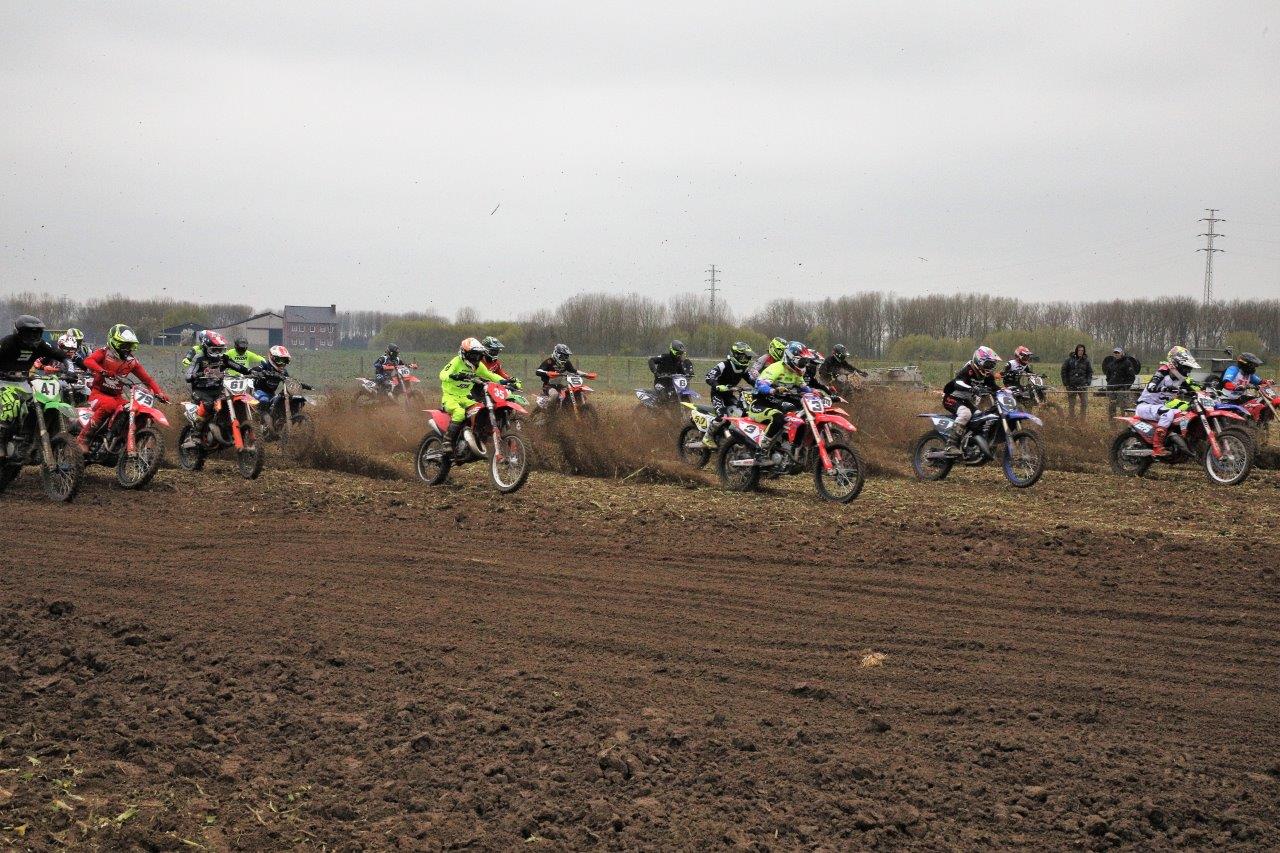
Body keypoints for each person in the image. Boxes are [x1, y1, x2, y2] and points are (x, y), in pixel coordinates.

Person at [77, 324, 170, 453]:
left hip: (117, 397)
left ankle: (123, 441)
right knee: (109, 405)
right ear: (114, 342)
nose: (127, 349)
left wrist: (159, 392)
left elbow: (147, 380)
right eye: (124, 345)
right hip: (98, 393)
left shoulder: (131, 361)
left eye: (130, 345)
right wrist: (102, 371)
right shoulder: (104, 352)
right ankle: (83, 438)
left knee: (134, 410)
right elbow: (88, 361)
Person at [0, 315, 69, 458]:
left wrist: (70, 370)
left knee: (38, 403)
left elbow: (62, 356)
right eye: (29, 332)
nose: (33, 336)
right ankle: (1, 442)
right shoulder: (7, 342)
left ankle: (29, 440)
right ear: (19, 332)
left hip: (24, 383)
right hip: (3, 382)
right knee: (11, 404)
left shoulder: (40, 344)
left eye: (36, 332)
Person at [182, 331, 252, 448]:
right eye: (215, 350)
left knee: (233, 401)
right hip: (201, 391)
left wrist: (251, 371)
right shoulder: (199, 358)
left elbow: (238, 367)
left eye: (220, 349)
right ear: (206, 347)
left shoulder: (223, 359)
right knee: (208, 404)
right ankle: (196, 434)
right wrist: (198, 374)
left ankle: (227, 428)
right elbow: (188, 376)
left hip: (219, 390)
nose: (218, 353)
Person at [439, 338, 506, 452]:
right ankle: (447, 441)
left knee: (481, 409)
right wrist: (454, 376)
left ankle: (475, 437)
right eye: (473, 355)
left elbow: (490, 375)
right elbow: (442, 374)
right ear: (464, 353)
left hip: (465, 397)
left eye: (479, 355)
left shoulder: (478, 366)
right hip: (450, 397)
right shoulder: (456, 361)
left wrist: (506, 381)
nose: (476, 358)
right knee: (459, 413)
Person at [749, 341, 813, 458]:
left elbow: (805, 388)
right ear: (791, 358)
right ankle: (761, 450)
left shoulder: (795, 373)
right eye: (802, 361)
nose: (804, 364)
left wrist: (817, 393)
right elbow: (760, 384)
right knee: (778, 417)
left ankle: (794, 450)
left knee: (801, 418)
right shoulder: (776, 367)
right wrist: (774, 390)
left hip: (776, 402)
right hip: (761, 402)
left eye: (805, 362)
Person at [1135, 346, 1201, 457]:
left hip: (1159, 408)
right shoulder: (1163, 372)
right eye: (1186, 368)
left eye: (1189, 368)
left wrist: (1206, 393)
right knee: (1168, 413)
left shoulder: (1180, 379)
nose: (1188, 371)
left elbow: (1193, 390)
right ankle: (1157, 447)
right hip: (1145, 406)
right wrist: (1165, 388)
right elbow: (1151, 387)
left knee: (1185, 415)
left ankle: (1177, 443)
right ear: (1176, 364)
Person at [941, 346, 1001, 456]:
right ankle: (950, 445)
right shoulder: (969, 369)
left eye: (992, 365)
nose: (990, 367)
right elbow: (958, 382)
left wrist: (1004, 392)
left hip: (966, 401)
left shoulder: (987, 375)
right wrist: (971, 389)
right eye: (988, 364)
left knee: (980, 417)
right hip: (952, 397)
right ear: (979, 361)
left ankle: (971, 443)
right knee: (965, 414)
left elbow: (994, 388)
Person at [701, 341, 754, 447]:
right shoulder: (723, 365)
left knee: (740, 413)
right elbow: (709, 377)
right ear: (736, 355)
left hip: (729, 395)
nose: (746, 360)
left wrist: (762, 385)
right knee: (722, 416)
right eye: (743, 357)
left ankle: (729, 438)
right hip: (718, 394)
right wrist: (717, 386)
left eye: (747, 358)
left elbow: (752, 380)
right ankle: (707, 437)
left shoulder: (743, 369)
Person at [250, 345, 312, 411]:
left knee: (283, 401)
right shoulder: (265, 366)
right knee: (264, 401)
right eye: (279, 360)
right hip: (259, 392)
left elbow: (289, 381)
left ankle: (283, 416)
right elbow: (253, 370)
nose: (282, 363)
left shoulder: (283, 372)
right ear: (272, 357)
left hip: (272, 394)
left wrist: (301, 385)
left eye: (285, 360)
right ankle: (260, 417)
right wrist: (258, 372)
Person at [1101, 346, 1142, 417]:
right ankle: (1112, 422)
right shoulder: (1112, 363)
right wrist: (1109, 383)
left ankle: (1125, 421)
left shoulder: (1127, 363)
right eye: (1115, 353)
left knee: (1124, 406)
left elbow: (1132, 377)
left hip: (1122, 389)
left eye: (1118, 353)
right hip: (1112, 388)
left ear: (1122, 353)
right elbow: (1108, 375)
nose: (1116, 354)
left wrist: (1126, 387)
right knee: (1111, 406)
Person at [1060, 344, 1093, 418]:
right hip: (1071, 386)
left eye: (1082, 350)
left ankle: (1082, 420)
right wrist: (1066, 383)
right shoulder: (1069, 360)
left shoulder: (1086, 361)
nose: (1080, 352)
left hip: (1082, 385)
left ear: (1084, 351)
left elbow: (1090, 372)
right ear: (1076, 351)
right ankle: (1072, 420)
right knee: (1072, 404)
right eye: (1079, 350)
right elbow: (1063, 371)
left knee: (1084, 403)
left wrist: (1088, 382)